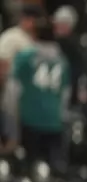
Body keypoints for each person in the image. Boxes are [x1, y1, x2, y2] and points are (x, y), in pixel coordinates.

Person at [5, 21, 71, 172]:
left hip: (30, 121)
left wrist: (11, 123)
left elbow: (12, 92)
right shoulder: (63, 61)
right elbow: (65, 97)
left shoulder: (25, 57)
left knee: (28, 170)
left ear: (34, 36)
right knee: (52, 172)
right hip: (54, 124)